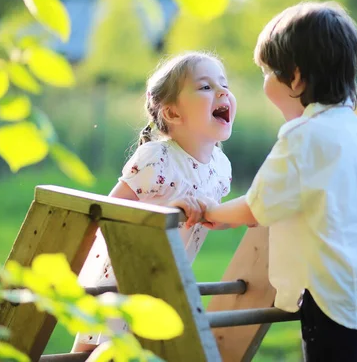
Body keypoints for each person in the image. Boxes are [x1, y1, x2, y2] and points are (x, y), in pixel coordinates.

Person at [197, 1, 357, 362]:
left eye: (267, 71)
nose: (264, 80)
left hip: (332, 302)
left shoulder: (303, 137)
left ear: (295, 78)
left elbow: (257, 205)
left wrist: (212, 211)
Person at [70, 51, 235, 352]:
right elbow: (108, 214)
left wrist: (239, 214)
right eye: (205, 86)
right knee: (96, 352)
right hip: (122, 276)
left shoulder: (220, 167)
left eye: (223, 84)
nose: (223, 91)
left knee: (147, 352)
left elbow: (214, 218)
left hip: (168, 280)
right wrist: (167, 213)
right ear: (173, 113)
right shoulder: (157, 159)